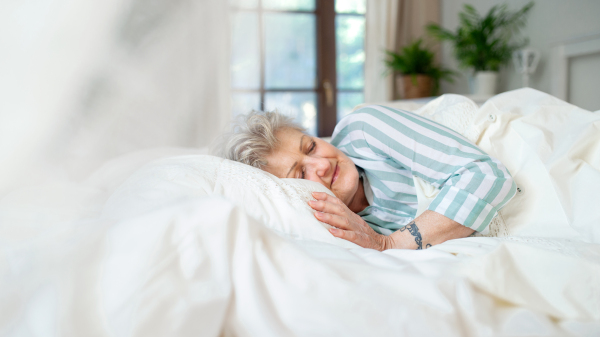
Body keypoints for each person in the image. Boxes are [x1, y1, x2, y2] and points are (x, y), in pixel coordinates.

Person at [221, 106, 516, 250]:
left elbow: (487, 176)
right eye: (301, 173)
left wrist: (391, 244)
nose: (322, 164)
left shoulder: (364, 130)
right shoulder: (318, 225)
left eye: (311, 146)